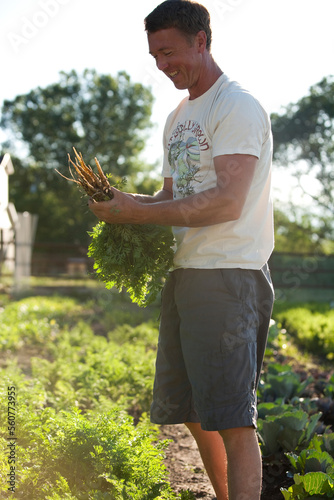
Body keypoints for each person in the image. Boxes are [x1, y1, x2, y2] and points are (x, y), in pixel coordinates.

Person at [89, 1, 275, 498]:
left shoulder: (235, 105)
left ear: (201, 40)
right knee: (191, 411)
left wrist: (137, 213)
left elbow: (228, 202)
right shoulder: (177, 117)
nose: (162, 64)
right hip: (187, 274)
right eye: (154, 55)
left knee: (233, 418)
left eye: (169, 51)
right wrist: (123, 206)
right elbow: (173, 199)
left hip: (228, 275)